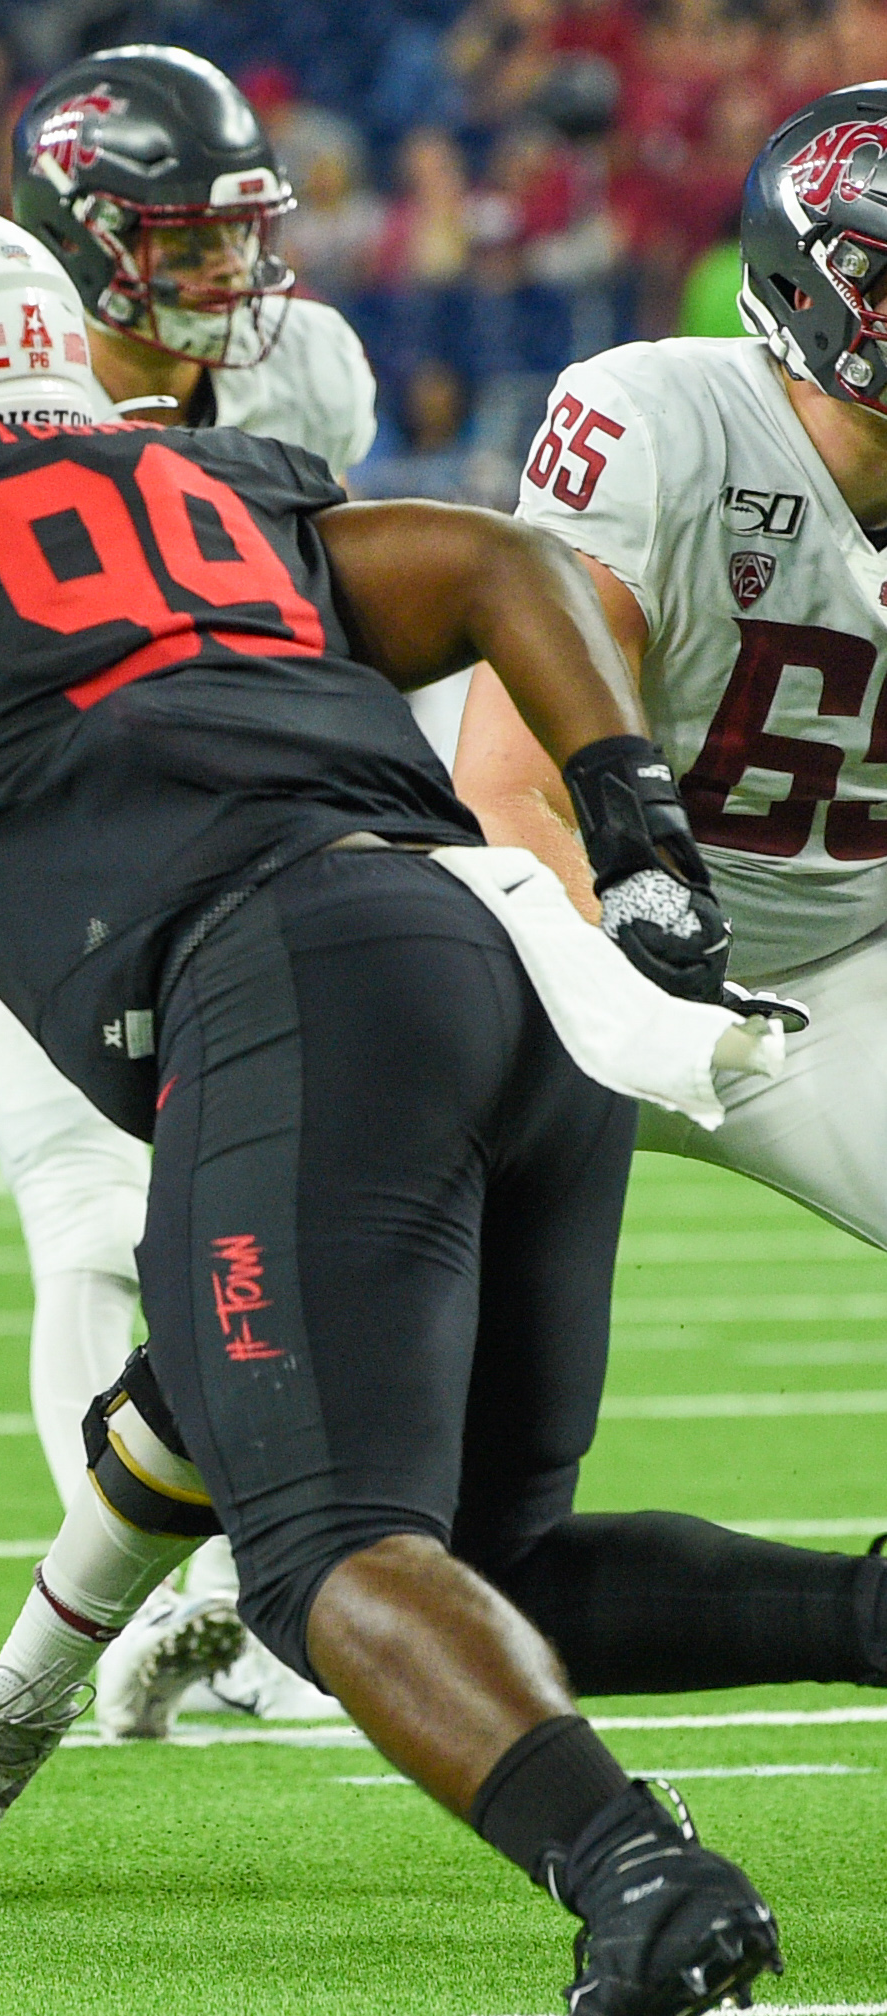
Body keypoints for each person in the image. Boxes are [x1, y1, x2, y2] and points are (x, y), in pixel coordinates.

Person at [0, 201, 860, 2015]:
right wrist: (635, 834)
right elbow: (493, 565)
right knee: (488, 1555)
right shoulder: (211, 491)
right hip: (518, 963)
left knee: (323, 1559)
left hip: (293, 974)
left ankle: (634, 1876)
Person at [0, 44, 388, 1733]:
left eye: (242, 233)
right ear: (82, 239)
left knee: (296, 1198)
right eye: (187, 239)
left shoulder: (300, 371)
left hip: (242, 832)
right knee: (94, 1221)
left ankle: (264, 1590)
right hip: (31, 833)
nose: (233, 276)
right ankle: (169, 1597)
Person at [452, 86, 887, 1257]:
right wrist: (620, 942)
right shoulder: (658, 419)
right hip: (574, 941)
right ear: (814, 282)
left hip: (841, 979)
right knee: (292, 1332)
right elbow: (506, 788)